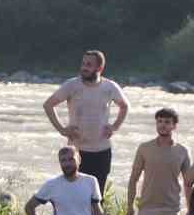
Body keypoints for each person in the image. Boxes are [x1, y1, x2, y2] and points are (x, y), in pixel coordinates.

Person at [43, 49, 129, 192]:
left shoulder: (109, 87)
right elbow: (48, 105)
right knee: (75, 194)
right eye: (83, 64)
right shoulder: (72, 85)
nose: (84, 67)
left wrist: (114, 127)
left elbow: (125, 106)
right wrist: (62, 130)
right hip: (76, 151)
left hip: (102, 150)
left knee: (97, 197)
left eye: (89, 64)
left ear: (99, 68)